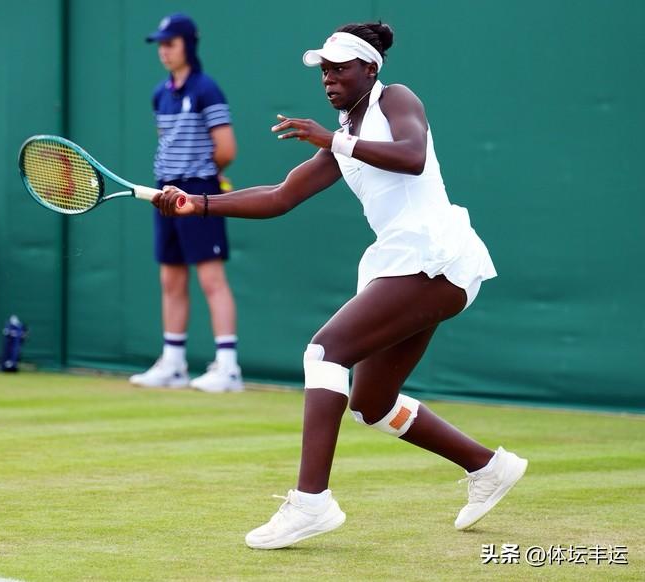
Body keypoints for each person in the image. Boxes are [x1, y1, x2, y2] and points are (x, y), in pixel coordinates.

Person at [154, 22, 528, 549]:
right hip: (408, 264)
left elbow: (413, 155)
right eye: (324, 71)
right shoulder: (343, 135)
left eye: (339, 69)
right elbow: (281, 196)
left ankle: (311, 502)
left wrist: (333, 139)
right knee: (372, 402)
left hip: (435, 257)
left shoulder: (395, 99)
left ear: (369, 69)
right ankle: (487, 466)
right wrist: (200, 203)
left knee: (324, 353)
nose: (328, 79)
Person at [130, 13, 242, 393]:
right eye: (160, 45)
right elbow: (167, 141)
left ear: (188, 45)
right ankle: (173, 364)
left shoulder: (207, 89)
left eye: (170, 43)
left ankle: (228, 368)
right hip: (164, 193)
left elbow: (226, 149)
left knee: (211, 278)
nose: (163, 51)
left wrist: (202, 179)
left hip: (198, 191)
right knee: (171, 277)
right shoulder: (159, 94)